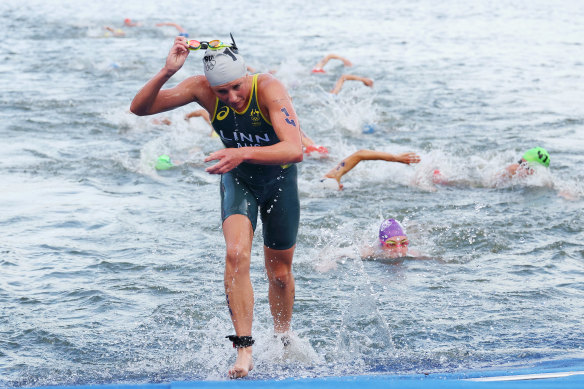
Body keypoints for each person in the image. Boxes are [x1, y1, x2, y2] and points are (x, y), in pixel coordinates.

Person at [130, 35, 303, 379]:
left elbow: (294, 149)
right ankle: (244, 350)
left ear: (246, 77)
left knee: (280, 274)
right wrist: (166, 71)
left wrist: (241, 151)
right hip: (237, 179)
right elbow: (140, 108)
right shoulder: (200, 88)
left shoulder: (268, 88)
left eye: (236, 87)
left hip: (279, 181)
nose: (232, 98)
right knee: (236, 254)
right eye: (222, 92)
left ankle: (282, 338)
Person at [323, 149, 421, 190]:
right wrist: (395, 158)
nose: (341, 186)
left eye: (339, 186)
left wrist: (396, 158)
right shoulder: (332, 177)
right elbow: (360, 154)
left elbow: (360, 154)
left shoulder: (332, 177)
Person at [360, 219, 427, 260]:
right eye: (391, 244)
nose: (398, 250)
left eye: (403, 243)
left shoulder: (413, 254)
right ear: (381, 244)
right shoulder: (370, 253)